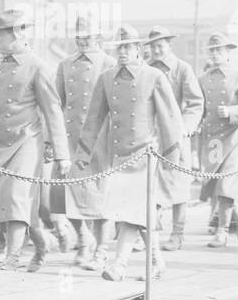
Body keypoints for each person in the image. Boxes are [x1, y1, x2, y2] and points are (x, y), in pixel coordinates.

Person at [0, 8, 70, 272]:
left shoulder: (38, 67)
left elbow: (52, 110)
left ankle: (13, 256)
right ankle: (42, 242)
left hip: (27, 143)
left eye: (0, 35)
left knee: (16, 198)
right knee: (4, 204)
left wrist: (61, 153)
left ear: (16, 35)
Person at [76, 25, 182, 281]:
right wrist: (83, 153)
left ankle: (119, 264)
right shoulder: (107, 78)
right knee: (136, 211)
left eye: (127, 47)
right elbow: (93, 119)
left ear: (138, 49)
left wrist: (173, 157)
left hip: (146, 156)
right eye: (119, 47)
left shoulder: (154, 76)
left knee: (131, 212)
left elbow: (170, 118)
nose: (122, 52)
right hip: (119, 157)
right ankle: (157, 262)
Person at [54, 16, 116, 269]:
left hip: (101, 140)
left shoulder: (109, 63)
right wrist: (52, 141)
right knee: (69, 193)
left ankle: (101, 250)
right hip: (71, 140)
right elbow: (55, 105)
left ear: (98, 37)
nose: (82, 40)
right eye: (78, 36)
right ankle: (83, 238)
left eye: (87, 36)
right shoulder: (65, 64)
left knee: (101, 197)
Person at [147, 25, 204, 251]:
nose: (157, 50)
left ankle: (177, 234)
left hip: (177, 137)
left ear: (169, 45)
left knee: (179, 187)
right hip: (152, 138)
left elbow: (196, 103)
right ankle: (149, 233)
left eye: (160, 46)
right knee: (150, 185)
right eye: (153, 47)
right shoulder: (146, 68)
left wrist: (185, 128)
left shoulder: (182, 69)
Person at [197, 32, 238, 247]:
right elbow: (198, 108)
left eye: (219, 50)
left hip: (233, 139)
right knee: (214, 184)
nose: (214, 54)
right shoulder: (202, 79)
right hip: (213, 140)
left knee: (227, 184)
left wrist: (232, 111)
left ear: (228, 52)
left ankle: (222, 231)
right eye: (211, 50)